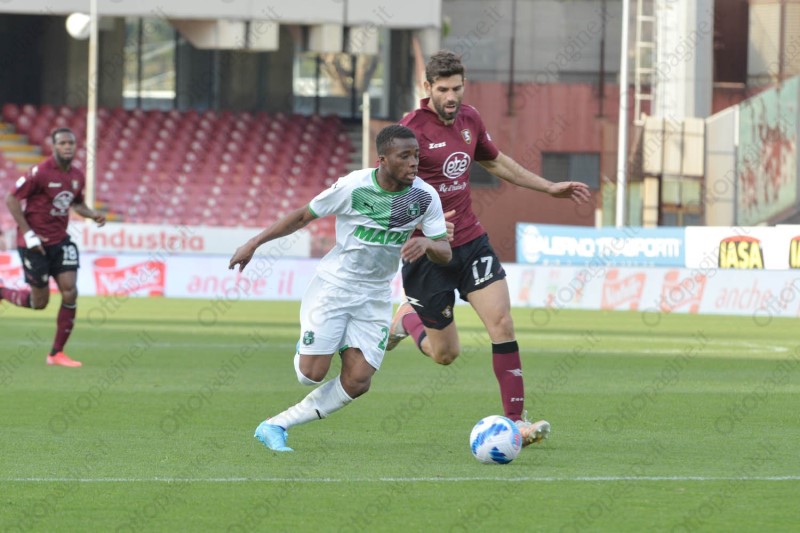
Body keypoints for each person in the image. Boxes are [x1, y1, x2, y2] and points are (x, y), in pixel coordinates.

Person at [389, 50, 592, 446]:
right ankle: (404, 320)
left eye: (457, 88)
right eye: (443, 89)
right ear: (427, 88)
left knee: (502, 323)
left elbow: (496, 163)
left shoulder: (470, 120)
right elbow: (386, 195)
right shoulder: (409, 131)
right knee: (445, 354)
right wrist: (423, 227)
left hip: (470, 243)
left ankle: (516, 422)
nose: (451, 97)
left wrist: (549, 187)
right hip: (428, 254)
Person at [229, 124, 451, 452]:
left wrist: (427, 244)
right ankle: (312, 344)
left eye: (416, 156)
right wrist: (254, 243)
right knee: (310, 375)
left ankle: (276, 425)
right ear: (383, 160)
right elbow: (303, 216)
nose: (413, 163)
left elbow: (444, 250)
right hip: (335, 287)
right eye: (404, 156)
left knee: (359, 380)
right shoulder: (353, 187)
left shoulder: (424, 196)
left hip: (375, 295)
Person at [2, 128, 106, 367]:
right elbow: (11, 198)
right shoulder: (40, 172)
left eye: (71, 143)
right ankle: (2, 292)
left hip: (60, 241)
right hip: (34, 244)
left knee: (70, 292)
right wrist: (28, 234)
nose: (67, 147)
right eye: (62, 143)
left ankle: (56, 353)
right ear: (54, 146)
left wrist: (92, 214)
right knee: (39, 303)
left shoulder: (77, 176)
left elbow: (77, 204)